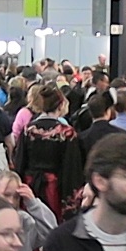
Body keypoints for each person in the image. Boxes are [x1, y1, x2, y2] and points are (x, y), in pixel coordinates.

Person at [14, 83, 82, 213]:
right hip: (54, 187)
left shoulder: (28, 130)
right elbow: (71, 167)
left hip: (30, 185)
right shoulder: (66, 132)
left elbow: (20, 160)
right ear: (61, 105)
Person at [0, 171, 57, 251]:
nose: (11, 201)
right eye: (6, 195)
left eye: (16, 197)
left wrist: (33, 203)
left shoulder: (24, 221)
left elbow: (50, 233)